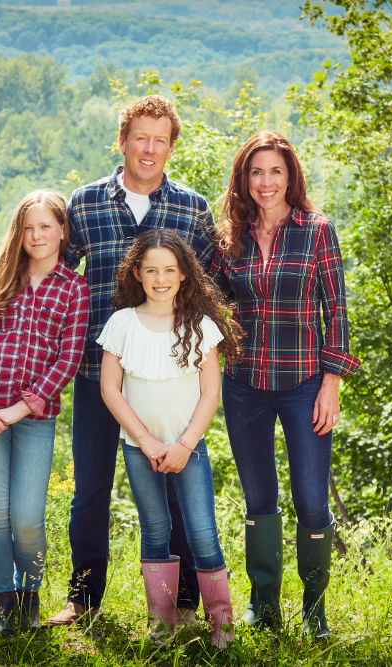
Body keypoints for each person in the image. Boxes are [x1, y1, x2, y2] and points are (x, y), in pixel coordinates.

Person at [47, 95, 216, 627]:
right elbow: (56, 274)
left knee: (177, 494)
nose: (149, 149)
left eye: (160, 140)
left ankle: (184, 605)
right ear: (122, 141)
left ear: (171, 147)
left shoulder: (192, 208)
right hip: (99, 375)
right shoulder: (85, 203)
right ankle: (83, 599)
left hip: (171, 380)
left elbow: (210, 285)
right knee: (90, 490)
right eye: (140, 137)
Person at [211, 131, 361, 640]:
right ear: (244, 179)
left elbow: (336, 310)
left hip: (304, 384)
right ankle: (264, 605)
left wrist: (331, 382)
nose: (265, 182)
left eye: (275, 171)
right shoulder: (229, 237)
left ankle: (315, 610)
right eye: (256, 172)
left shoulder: (317, 231)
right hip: (244, 384)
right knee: (259, 498)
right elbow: (210, 304)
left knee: (312, 500)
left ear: (290, 176)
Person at [97, 229, 243, 648]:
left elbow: (210, 392)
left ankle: (222, 628)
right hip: (139, 449)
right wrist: (145, 441)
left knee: (202, 533)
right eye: (151, 270)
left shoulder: (200, 326)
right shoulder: (122, 323)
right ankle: (161, 625)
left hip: (188, 448)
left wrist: (184, 445)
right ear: (137, 274)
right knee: (155, 528)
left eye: (169, 270)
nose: (160, 279)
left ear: (183, 275)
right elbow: (110, 389)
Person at [0, 190, 89, 636]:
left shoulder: (74, 289)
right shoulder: (0, 277)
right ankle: (3, 604)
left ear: (63, 231)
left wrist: (15, 411)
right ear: (19, 232)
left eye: (46, 226)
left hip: (33, 418)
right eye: (28, 227)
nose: (36, 235)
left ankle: (30, 596)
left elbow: (67, 362)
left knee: (28, 517)